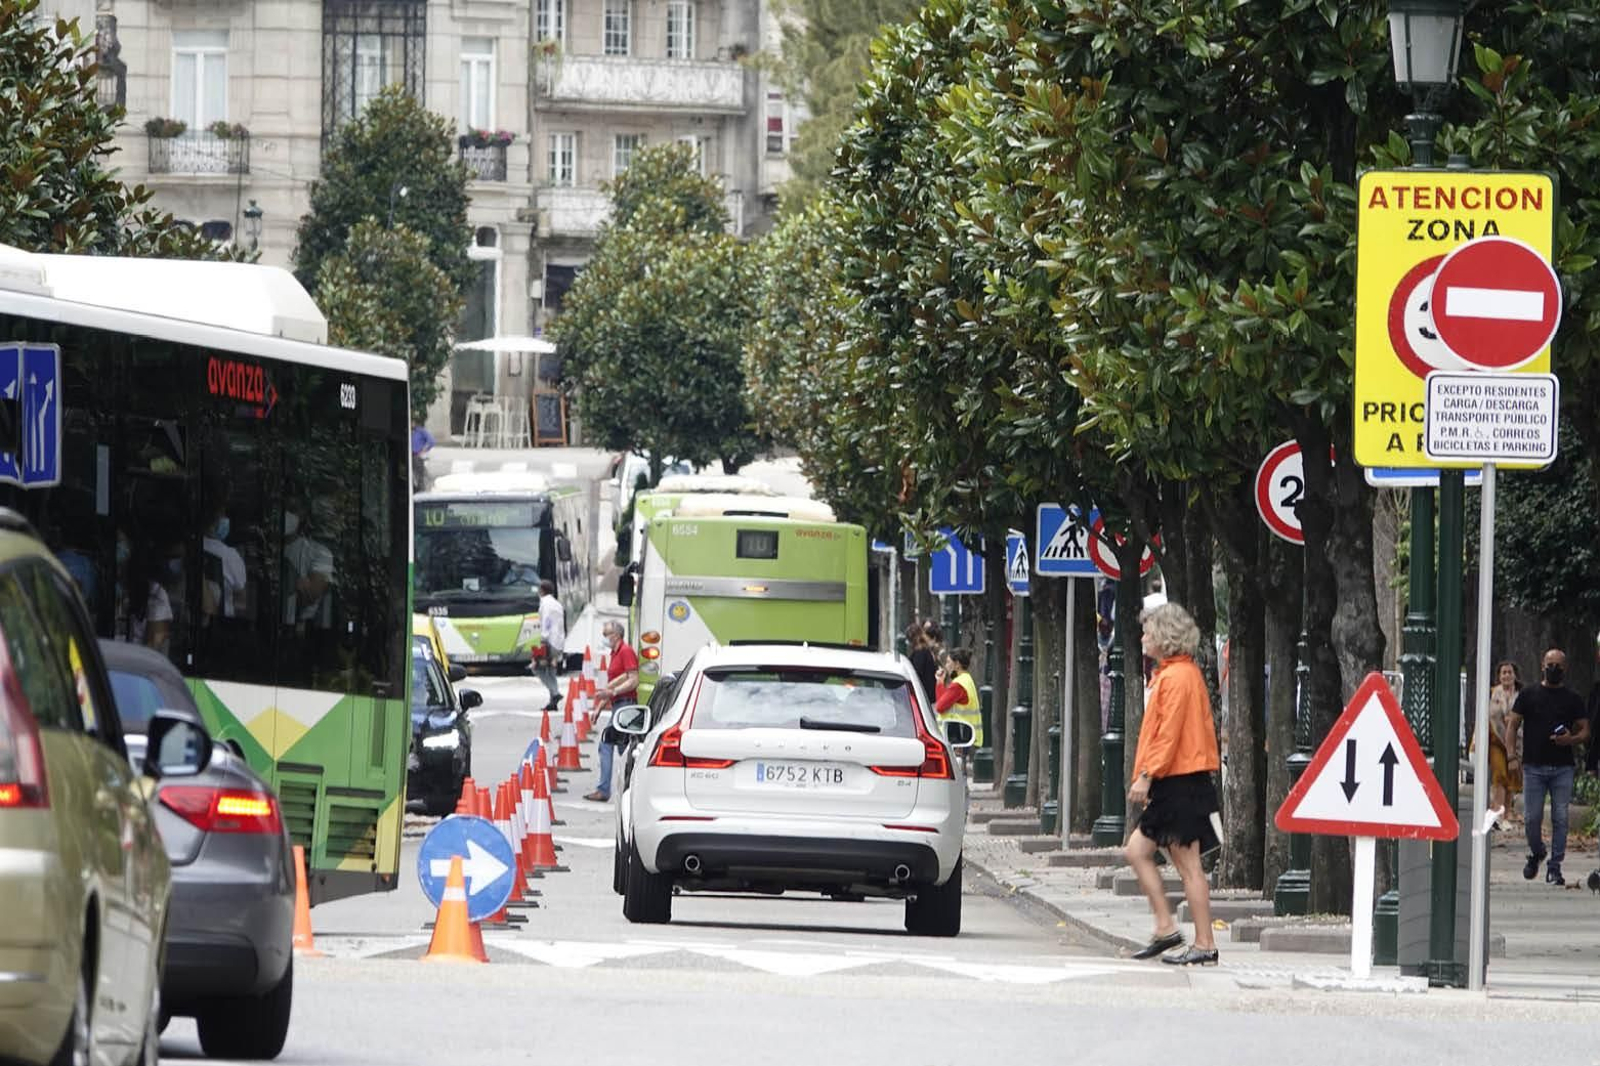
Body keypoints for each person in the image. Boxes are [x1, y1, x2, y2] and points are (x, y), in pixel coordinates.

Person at [1124, 603, 1221, 966]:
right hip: (1175, 780)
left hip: (1179, 780)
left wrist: (1148, 774)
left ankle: (1204, 943)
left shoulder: (1178, 678)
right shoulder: (1172, 674)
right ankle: (1166, 928)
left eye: (1148, 631)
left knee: (1188, 866)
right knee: (1137, 851)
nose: (1143, 637)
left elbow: (1168, 734)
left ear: (1164, 637)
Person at [1506, 647, 1590, 886]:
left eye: (1558, 666)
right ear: (1542, 665)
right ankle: (1537, 851)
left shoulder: (1572, 699)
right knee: (1531, 817)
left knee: (1560, 817)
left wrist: (1570, 740)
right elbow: (1512, 725)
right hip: (1533, 766)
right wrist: (1512, 755)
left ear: (1565, 669)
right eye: (1550, 664)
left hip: (1563, 767)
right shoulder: (1529, 694)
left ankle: (1555, 867)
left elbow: (1585, 730)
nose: (1554, 669)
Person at [584, 620, 639, 803]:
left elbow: (633, 679)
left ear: (616, 635)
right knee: (624, 749)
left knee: (607, 744)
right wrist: (600, 706)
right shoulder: (615, 654)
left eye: (606, 634)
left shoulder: (626, 652)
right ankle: (631, 788)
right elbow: (616, 682)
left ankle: (604, 789)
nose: (604, 637)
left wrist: (613, 692)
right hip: (619, 704)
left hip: (625, 705)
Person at [1475, 661, 1523, 828]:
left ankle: (1506, 815)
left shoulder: (1521, 694)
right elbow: (1487, 717)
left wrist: (1514, 720)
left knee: (1511, 778)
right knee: (1500, 776)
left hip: (1516, 742)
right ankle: (1498, 814)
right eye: (1503, 673)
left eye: (1509, 672)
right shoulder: (1492, 693)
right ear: (1499, 676)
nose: (1507, 676)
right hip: (1496, 740)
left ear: (1515, 675)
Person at [933, 647, 983, 746]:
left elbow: (940, 707)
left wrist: (939, 683)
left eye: (948, 662)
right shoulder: (966, 679)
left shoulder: (958, 685)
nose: (946, 666)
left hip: (960, 740)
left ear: (957, 665)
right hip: (967, 737)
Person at [534, 579, 566, 712]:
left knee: (537, 667)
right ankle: (553, 701)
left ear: (542, 590)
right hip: (559, 642)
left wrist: (543, 639)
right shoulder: (557, 604)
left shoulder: (545, 604)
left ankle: (555, 692)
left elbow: (546, 621)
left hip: (549, 641)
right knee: (551, 670)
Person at [906, 622, 938, 707]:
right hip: (928, 696)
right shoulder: (925, 651)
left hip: (924, 697)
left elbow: (917, 673)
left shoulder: (920, 653)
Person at [411, 420, 434, 494]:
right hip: (411, 455)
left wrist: (423, 450)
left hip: (417, 455)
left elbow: (431, 441)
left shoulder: (420, 431)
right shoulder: (410, 432)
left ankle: (422, 491)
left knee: (419, 475)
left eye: (412, 422)